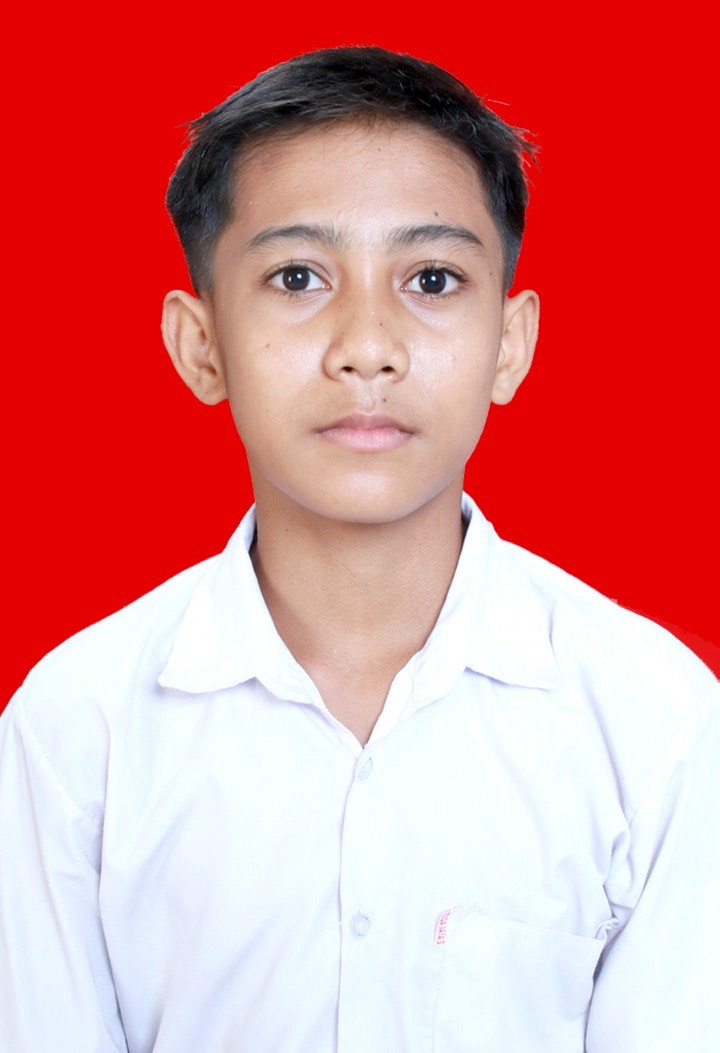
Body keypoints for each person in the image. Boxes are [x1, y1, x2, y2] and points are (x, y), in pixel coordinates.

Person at [0, 46, 718, 1053]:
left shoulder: (656, 723)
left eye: (432, 278)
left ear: (510, 342)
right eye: (298, 277)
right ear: (201, 344)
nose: (368, 346)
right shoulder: (78, 732)